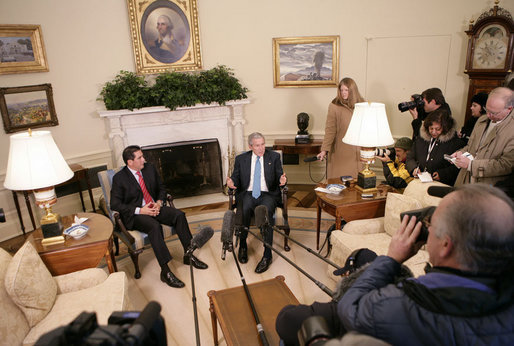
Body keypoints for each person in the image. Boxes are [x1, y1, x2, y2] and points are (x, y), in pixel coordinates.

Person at [276, 184, 514, 345]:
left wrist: (392, 258)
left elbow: (351, 308)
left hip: (354, 318)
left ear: (446, 246)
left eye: (431, 226)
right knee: (366, 256)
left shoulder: (402, 304)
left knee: (287, 318)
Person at [110, 145, 208, 289]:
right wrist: (140, 210)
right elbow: (115, 204)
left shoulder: (149, 168)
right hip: (136, 215)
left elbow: (162, 188)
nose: (144, 160)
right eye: (140, 158)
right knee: (154, 227)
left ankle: (189, 255)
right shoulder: (120, 178)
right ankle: (166, 271)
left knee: (179, 215)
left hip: (154, 207)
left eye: (143, 156)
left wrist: (159, 202)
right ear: (130, 162)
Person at [226, 133, 287, 273]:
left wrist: (283, 181)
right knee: (245, 208)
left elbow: (280, 176)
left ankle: (267, 255)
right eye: (257, 145)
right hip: (248, 193)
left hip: (268, 194)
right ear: (250, 146)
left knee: (264, 212)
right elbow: (235, 177)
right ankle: (243, 245)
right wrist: (231, 183)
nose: (261, 148)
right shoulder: (241, 159)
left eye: (263, 144)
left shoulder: (274, 157)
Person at [453, 87, 514, 187]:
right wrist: (460, 153)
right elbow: (470, 146)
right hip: (465, 180)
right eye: (487, 110)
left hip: (488, 186)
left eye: (493, 113)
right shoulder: (482, 120)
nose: (488, 115)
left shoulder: (511, 129)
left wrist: (471, 165)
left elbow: (506, 165)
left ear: (509, 109)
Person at [317, 77, 365, 179]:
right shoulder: (334, 106)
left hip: (358, 152)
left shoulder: (362, 105)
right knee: (339, 183)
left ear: (352, 90)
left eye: (346, 90)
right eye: (341, 90)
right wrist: (324, 150)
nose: (343, 93)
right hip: (341, 152)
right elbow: (330, 130)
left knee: (356, 184)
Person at [405, 109, 461, 185]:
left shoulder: (455, 143)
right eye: (431, 128)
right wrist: (413, 169)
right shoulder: (421, 139)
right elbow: (410, 157)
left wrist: (442, 174)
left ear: (445, 128)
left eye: (438, 129)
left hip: (441, 185)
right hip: (419, 181)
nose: (433, 132)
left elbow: (458, 166)